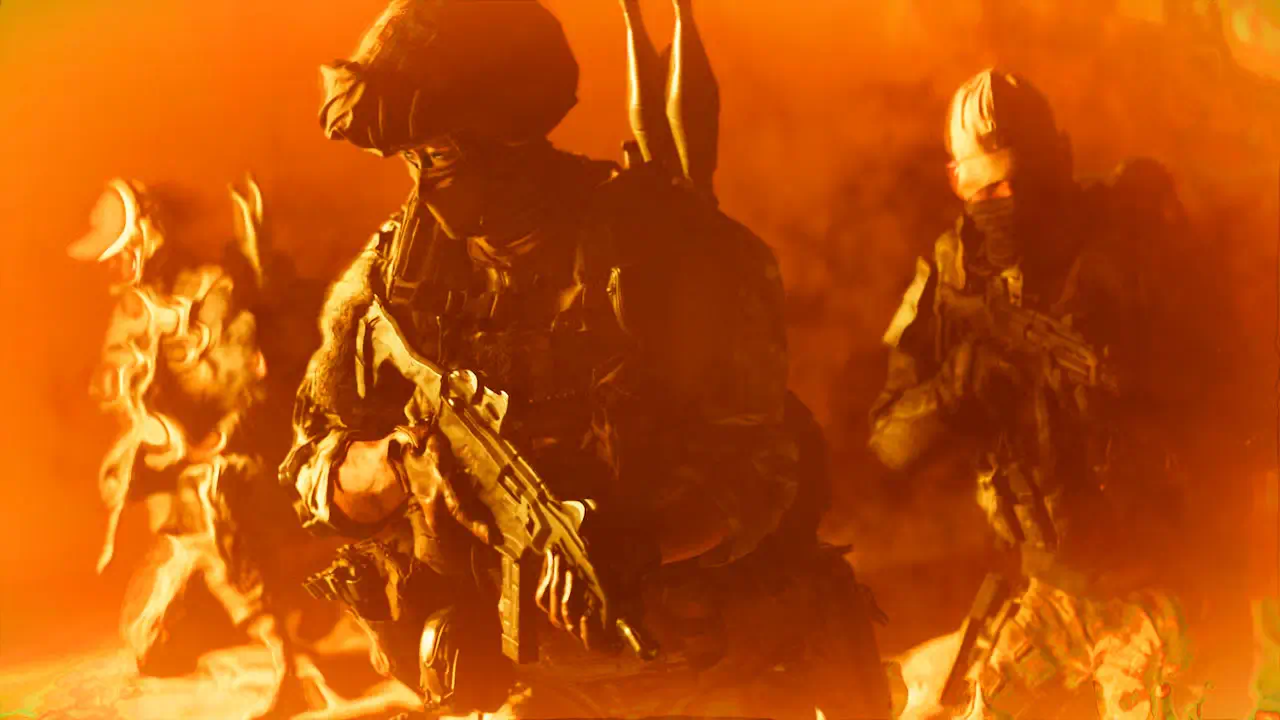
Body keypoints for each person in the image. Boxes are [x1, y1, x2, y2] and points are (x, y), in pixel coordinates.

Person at [278, 1, 891, 717]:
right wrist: (389, 465)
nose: (423, 187)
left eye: (439, 155)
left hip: (697, 671)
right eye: (412, 159)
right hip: (516, 681)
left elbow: (760, 472)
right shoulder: (404, 273)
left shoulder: (663, 253)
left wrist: (641, 544)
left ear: (505, 134)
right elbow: (309, 461)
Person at [868, 69, 1194, 719]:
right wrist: (957, 389)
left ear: (1062, 160)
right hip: (1049, 590)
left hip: (1161, 587)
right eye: (991, 188)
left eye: (1028, 178)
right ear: (958, 183)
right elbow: (888, 442)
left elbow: (1231, 405)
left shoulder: (1129, 253)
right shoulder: (951, 275)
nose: (1011, 199)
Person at [71, 177, 313, 718]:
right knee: (153, 627)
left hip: (234, 459)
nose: (116, 267)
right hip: (180, 467)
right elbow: (121, 383)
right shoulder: (136, 306)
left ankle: (289, 670)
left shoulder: (209, 292)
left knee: (214, 533)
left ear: (146, 236)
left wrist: (211, 442)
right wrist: (132, 409)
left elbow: (248, 392)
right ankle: (202, 625)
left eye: (121, 253)